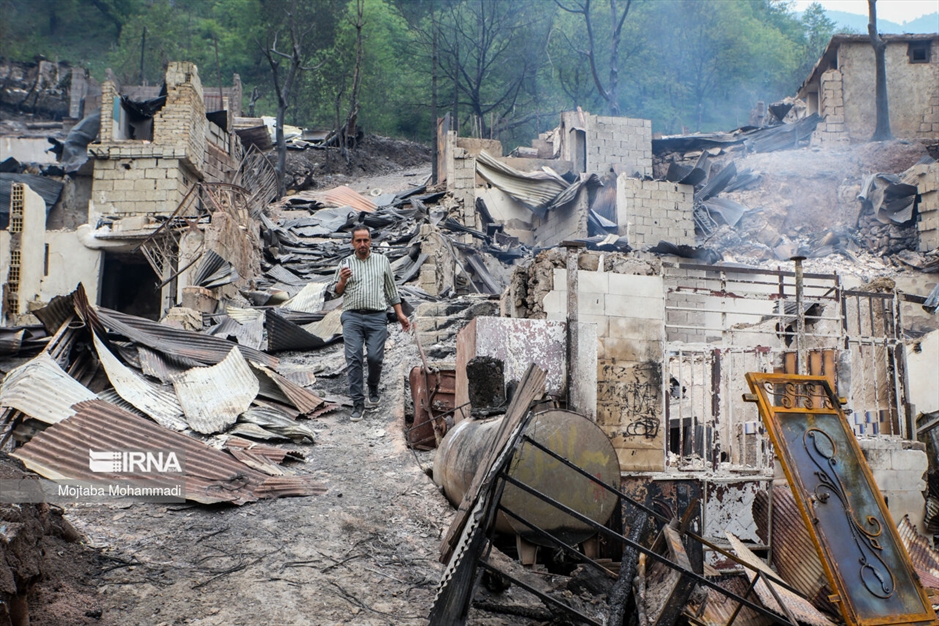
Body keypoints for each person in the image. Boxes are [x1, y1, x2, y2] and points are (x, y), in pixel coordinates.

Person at [329, 227, 410, 422]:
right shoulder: (345, 264)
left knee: (374, 357)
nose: (363, 244)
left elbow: (391, 291)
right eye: (359, 241)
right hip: (352, 317)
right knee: (354, 358)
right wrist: (342, 280)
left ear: (370, 241)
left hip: (377, 317)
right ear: (352, 243)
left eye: (366, 240)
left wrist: (400, 314)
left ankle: (373, 385)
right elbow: (335, 292)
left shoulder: (382, 261)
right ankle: (358, 403)